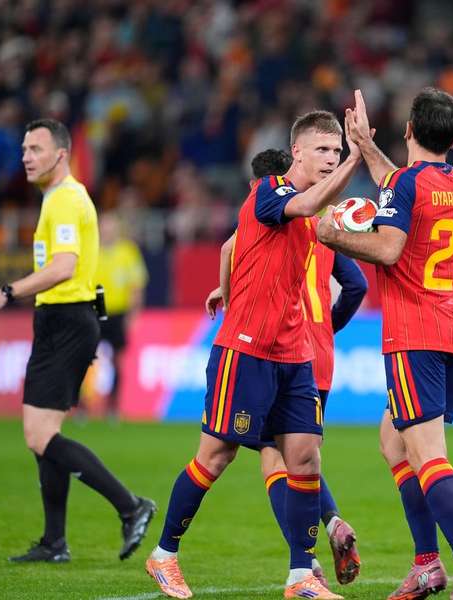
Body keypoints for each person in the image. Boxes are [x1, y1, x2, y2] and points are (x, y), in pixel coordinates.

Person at [144, 111, 362, 600]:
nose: (331, 159)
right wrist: (359, 155)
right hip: (245, 351)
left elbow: (234, 245)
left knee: (304, 459)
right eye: (323, 150)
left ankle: (300, 576)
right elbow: (298, 206)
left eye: (336, 150)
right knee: (215, 458)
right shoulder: (270, 192)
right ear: (298, 153)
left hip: (296, 354)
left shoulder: (314, 212)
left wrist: (224, 287)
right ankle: (164, 555)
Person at [317, 88, 453, 600]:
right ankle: (426, 565)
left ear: (408, 131)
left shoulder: (404, 183)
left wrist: (334, 237)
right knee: (393, 442)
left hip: (414, 334)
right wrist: (363, 147)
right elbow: (400, 184)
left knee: (427, 454)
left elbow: (390, 249)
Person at [0, 118, 155, 563]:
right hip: (59, 319)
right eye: (24, 149)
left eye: (35, 148)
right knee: (41, 435)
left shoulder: (67, 200)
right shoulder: (58, 199)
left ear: (61, 154)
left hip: (68, 319)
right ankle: (55, 542)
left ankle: (131, 507)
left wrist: (6, 292)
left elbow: (64, 266)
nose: (26, 157)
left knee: (40, 435)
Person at [205, 148, 368, 588]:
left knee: (274, 459)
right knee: (303, 455)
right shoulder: (321, 225)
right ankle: (326, 531)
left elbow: (228, 248)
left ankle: (308, 559)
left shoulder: (265, 214)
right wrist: (328, 328)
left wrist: (225, 294)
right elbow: (356, 285)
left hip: (277, 348)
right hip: (318, 355)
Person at [94, 210, 148, 419]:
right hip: (97, 312)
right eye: (104, 226)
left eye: (111, 226)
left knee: (118, 360)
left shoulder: (127, 251)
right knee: (87, 358)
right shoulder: (93, 251)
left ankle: (113, 407)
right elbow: (92, 285)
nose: (107, 231)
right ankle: (82, 406)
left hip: (119, 312)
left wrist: (132, 315)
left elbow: (136, 285)